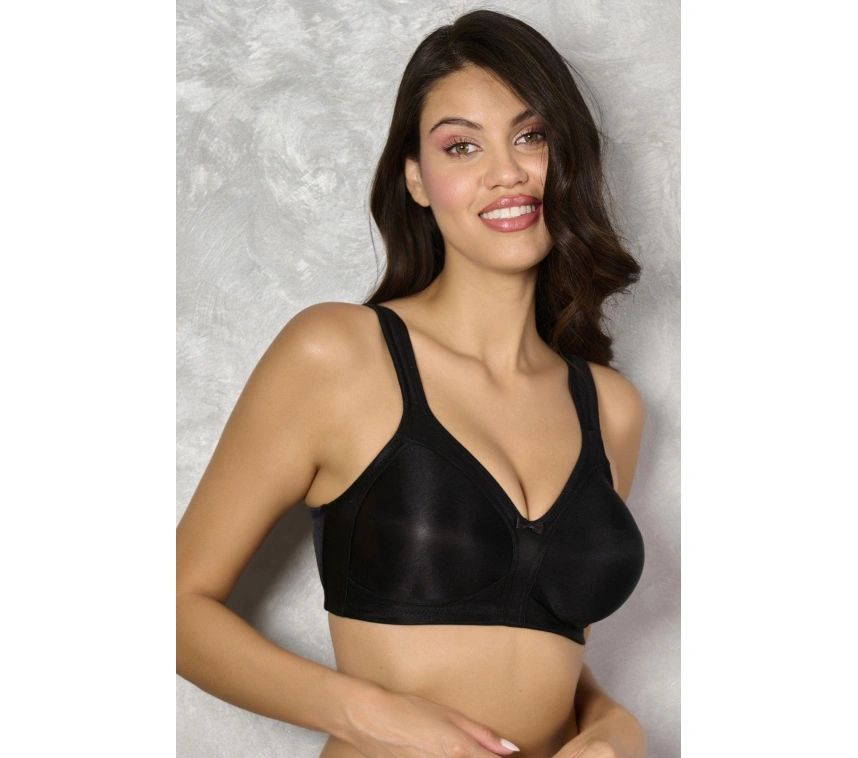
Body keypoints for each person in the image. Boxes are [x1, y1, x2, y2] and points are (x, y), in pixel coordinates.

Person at [177, 10, 649, 758]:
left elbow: (549, 639)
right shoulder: (339, 355)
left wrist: (614, 724)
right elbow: (175, 608)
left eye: (532, 136)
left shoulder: (610, 409)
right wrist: (371, 715)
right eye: (462, 146)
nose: (507, 172)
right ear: (416, 180)